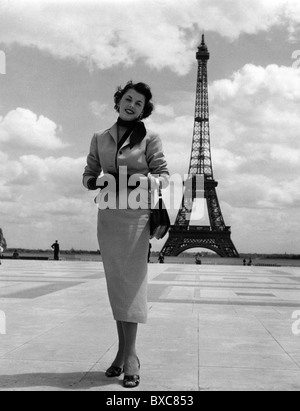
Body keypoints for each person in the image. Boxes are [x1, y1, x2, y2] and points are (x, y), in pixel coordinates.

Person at [83, 81, 169, 388]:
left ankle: (130, 356)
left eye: (139, 103)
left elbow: (164, 177)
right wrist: (95, 182)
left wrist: (136, 181)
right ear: (118, 101)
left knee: (131, 284)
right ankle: (121, 353)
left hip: (136, 216)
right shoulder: (99, 138)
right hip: (108, 216)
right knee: (116, 284)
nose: (131, 105)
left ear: (144, 110)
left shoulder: (151, 138)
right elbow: (88, 173)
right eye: (128, 99)